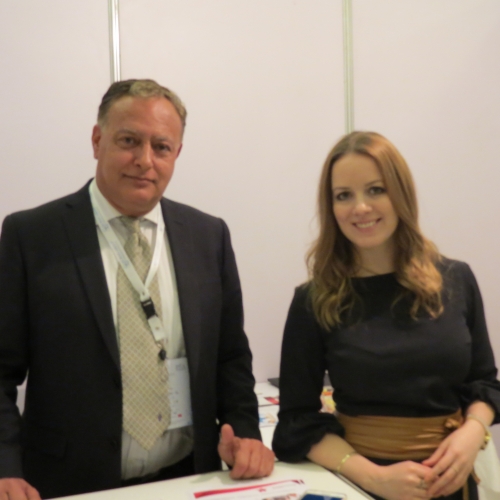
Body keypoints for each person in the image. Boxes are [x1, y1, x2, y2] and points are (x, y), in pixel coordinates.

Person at [0, 79, 274, 500]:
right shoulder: (32, 236)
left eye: (161, 147)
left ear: (176, 154)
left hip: (188, 479)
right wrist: (4, 466)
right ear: (97, 141)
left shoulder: (208, 236)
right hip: (70, 484)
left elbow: (230, 356)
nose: (145, 160)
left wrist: (246, 432)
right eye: (129, 141)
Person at [272, 131, 500, 500]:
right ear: (331, 207)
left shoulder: (457, 280)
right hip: (364, 487)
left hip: (453, 484)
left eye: (375, 190)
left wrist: (473, 432)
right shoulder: (314, 300)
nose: (360, 207)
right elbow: (296, 423)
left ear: (401, 193)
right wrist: (375, 478)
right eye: (344, 195)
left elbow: (485, 383)